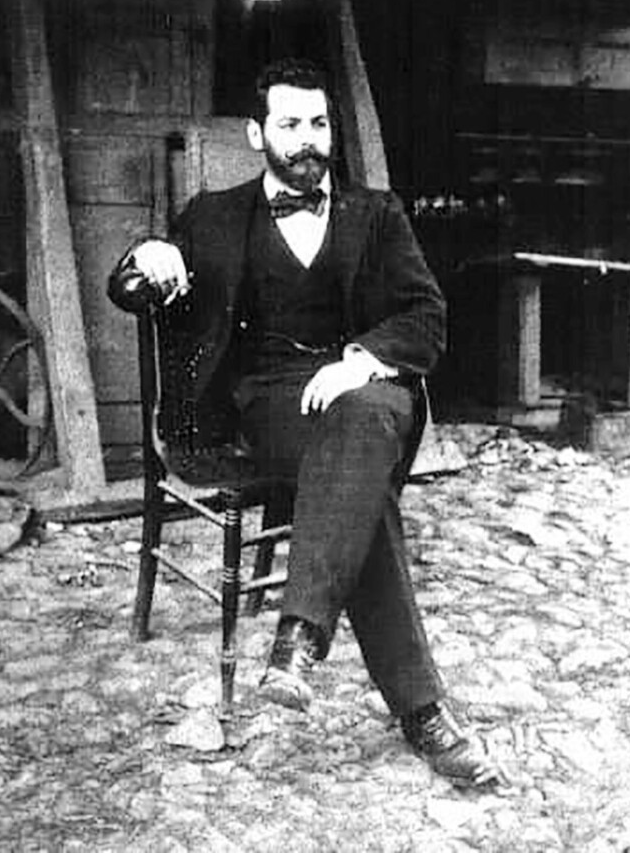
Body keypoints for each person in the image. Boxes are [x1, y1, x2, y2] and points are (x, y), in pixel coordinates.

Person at [109, 57, 501, 789]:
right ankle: (421, 712)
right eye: (289, 124)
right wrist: (148, 256)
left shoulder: (375, 214)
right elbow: (127, 287)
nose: (307, 139)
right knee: (365, 478)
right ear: (257, 134)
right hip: (266, 406)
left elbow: (427, 315)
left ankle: (301, 639)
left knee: (369, 419)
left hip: (363, 391)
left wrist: (361, 361)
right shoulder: (212, 216)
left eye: (319, 123)